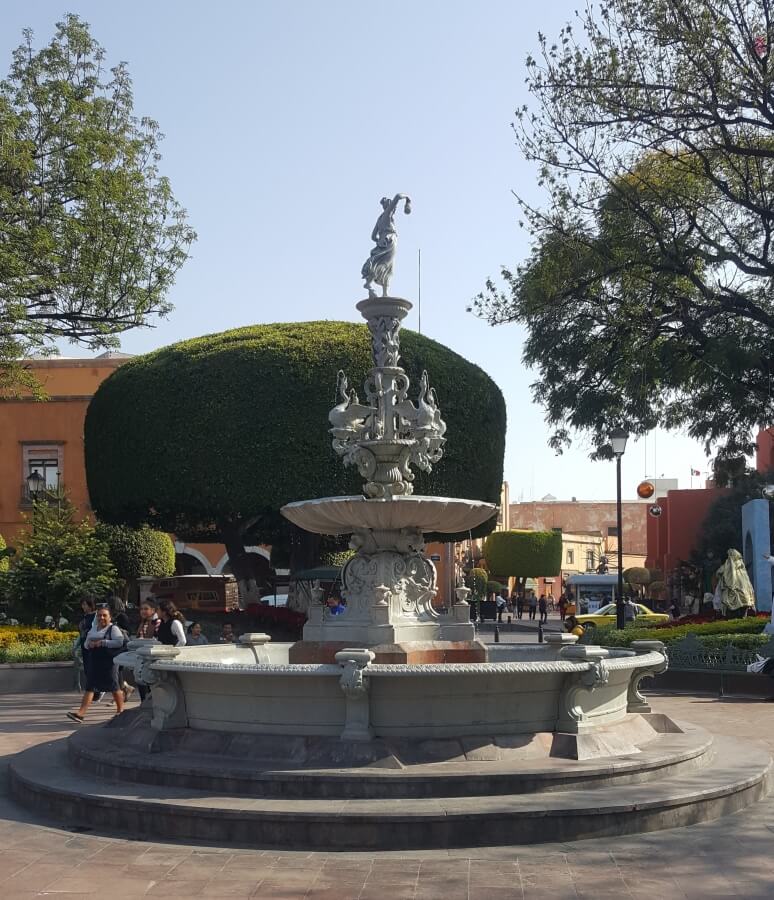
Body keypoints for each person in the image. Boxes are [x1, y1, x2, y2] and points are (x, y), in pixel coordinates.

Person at [67, 606, 125, 723]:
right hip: (95, 661)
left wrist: (102, 642)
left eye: (104, 615)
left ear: (110, 617)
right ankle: (80, 714)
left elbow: (119, 642)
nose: (101, 618)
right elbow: (86, 644)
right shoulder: (93, 629)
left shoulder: (113, 629)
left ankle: (121, 711)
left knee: (113, 686)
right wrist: (90, 645)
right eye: (99, 615)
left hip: (109, 662)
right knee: (90, 686)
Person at [716, 549, 756, 619]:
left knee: (732, 607)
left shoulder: (729, 563)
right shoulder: (741, 563)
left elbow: (719, 572)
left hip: (732, 589)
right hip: (744, 588)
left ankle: (733, 618)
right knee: (744, 604)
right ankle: (743, 616)